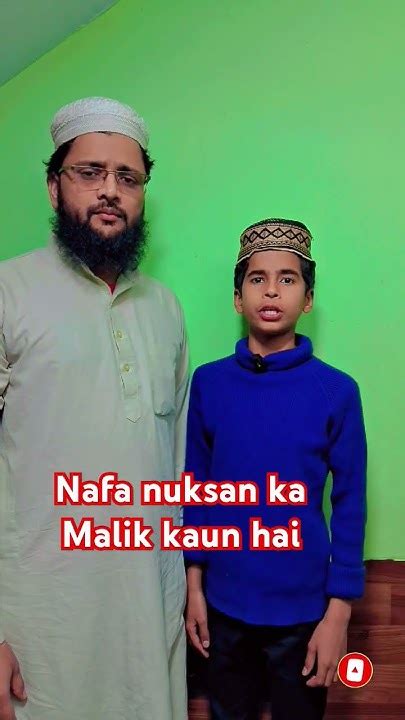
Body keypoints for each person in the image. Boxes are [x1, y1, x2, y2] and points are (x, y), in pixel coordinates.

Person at [0, 97, 189, 720]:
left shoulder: (164, 309)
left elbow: (174, 466)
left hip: (150, 615)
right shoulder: (8, 292)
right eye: (90, 172)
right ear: (54, 186)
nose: (110, 190)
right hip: (38, 627)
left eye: (127, 177)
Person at [184, 218, 367, 720]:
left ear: (308, 299)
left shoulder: (337, 391)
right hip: (223, 607)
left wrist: (339, 613)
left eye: (287, 279)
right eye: (257, 278)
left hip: (305, 614)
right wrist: (194, 587)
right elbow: (195, 489)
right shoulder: (209, 384)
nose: (271, 290)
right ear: (237, 297)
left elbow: (351, 502)